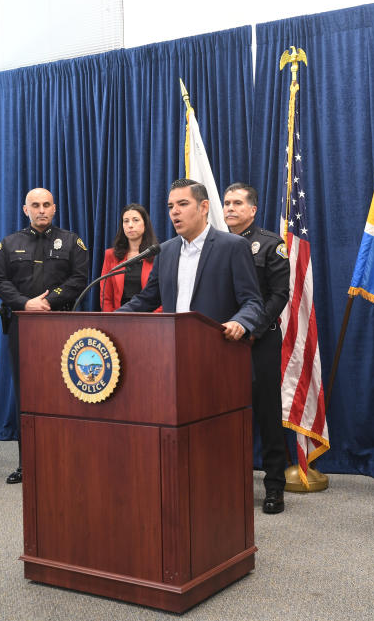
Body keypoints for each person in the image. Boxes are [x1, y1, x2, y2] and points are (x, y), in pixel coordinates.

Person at [0, 187, 89, 484]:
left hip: (61, 325)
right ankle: (27, 463)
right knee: (27, 395)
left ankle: (66, 458)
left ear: (55, 208)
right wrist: (25, 303)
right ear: (26, 210)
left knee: (66, 394)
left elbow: (79, 278)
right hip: (22, 327)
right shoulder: (9, 244)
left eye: (47, 204)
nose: (41, 210)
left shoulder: (72, 241)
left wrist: (49, 301)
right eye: (35, 205)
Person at [118, 178, 263, 340]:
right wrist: (111, 318)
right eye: (171, 206)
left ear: (204, 207)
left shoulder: (233, 247)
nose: (175, 211)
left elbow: (252, 302)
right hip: (173, 348)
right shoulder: (165, 251)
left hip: (217, 348)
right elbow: (147, 299)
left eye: (183, 204)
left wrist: (239, 322)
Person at [223, 182, 290, 514]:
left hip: (259, 340)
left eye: (237, 203)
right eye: (226, 203)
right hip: (222, 341)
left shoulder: (269, 245)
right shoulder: (216, 244)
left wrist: (251, 328)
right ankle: (231, 483)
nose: (230, 208)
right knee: (225, 414)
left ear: (253, 210)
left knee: (266, 412)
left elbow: (279, 295)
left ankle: (275, 486)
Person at [99, 204, 159, 312]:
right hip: (119, 318)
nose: (130, 225)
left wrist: (153, 320)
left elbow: (163, 296)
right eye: (126, 221)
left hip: (151, 320)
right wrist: (112, 319)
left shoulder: (157, 255)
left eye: (135, 220)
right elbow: (105, 297)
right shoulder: (111, 255)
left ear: (145, 224)